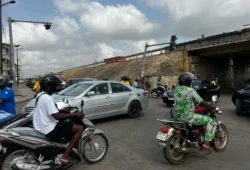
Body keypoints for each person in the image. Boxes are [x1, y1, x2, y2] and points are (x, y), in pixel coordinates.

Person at [33, 75, 85, 163]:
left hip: (39, 125)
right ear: (49, 86)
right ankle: (65, 155)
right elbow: (57, 116)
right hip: (48, 128)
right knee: (80, 128)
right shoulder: (48, 98)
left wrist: (64, 111)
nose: (57, 87)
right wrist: (74, 114)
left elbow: (49, 110)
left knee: (67, 125)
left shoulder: (40, 95)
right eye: (55, 85)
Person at [173, 72, 216, 152]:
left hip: (176, 116)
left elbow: (185, 100)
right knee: (209, 120)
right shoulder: (190, 90)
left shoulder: (176, 90)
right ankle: (206, 143)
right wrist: (211, 106)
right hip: (188, 117)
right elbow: (201, 102)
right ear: (188, 82)